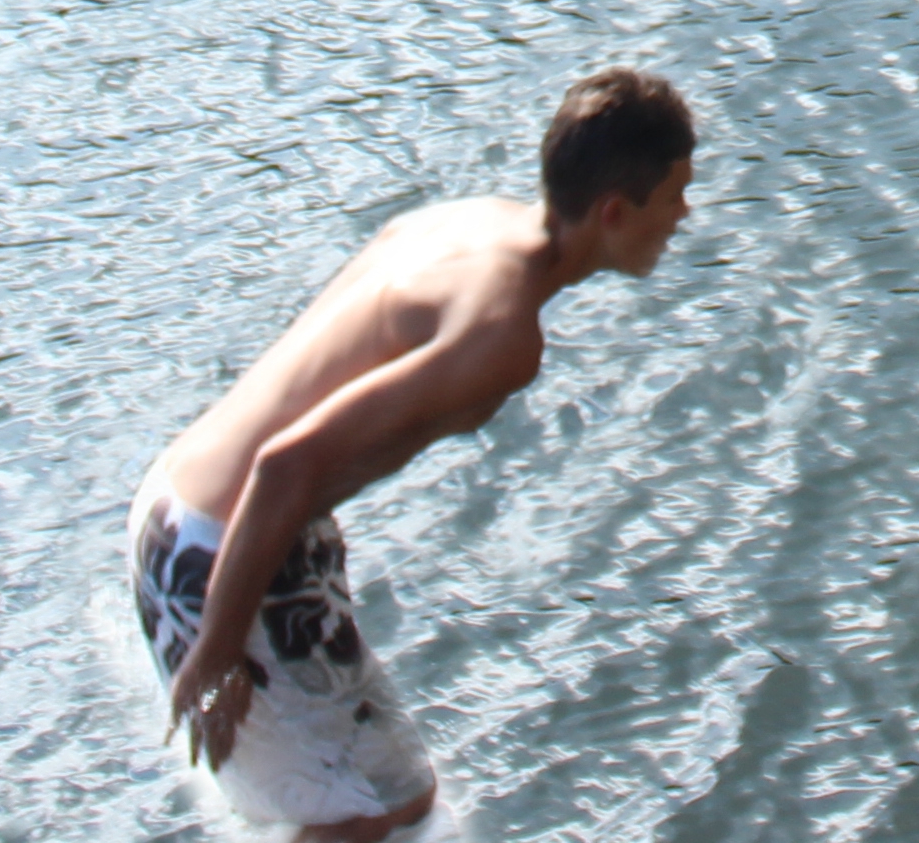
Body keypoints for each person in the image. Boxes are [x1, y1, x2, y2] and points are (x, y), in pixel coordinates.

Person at [128, 69, 700, 839]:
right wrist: (217, 657)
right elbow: (284, 465)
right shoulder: (503, 336)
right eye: (672, 198)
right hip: (218, 545)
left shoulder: (468, 223)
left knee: (402, 797)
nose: (683, 216)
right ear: (613, 211)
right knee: (355, 824)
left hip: (201, 500)